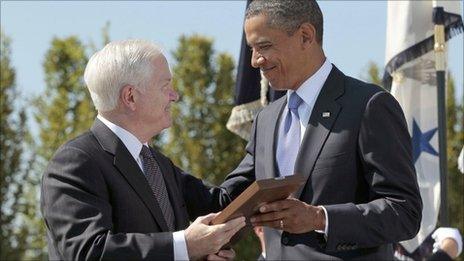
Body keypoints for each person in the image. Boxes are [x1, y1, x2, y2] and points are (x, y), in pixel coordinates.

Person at [220, 0, 423, 259]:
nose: (255, 60)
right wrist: (158, 169)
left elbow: (404, 213)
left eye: (265, 46)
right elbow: (231, 197)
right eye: (252, 48)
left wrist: (319, 218)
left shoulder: (368, 105)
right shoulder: (266, 119)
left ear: (306, 36)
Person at [40, 39, 245, 260]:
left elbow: (222, 205)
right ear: (130, 97)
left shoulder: (158, 163)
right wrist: (186, 246)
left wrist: (270, 132)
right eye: (165, 86)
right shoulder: (75, 162)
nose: (174, 96)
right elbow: (89, 251)